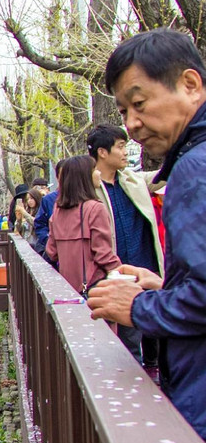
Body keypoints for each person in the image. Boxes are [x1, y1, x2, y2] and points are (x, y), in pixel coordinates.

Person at [87, 29, 206, 439]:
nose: (132, 124)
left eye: (139, 104)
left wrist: (140, 307)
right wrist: (166, 286)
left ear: (190, 84)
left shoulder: (195, 167)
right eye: (123, 112)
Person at [87, 124, 165, 364]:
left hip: (147, 270)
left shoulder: (133, 179)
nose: (125, 153)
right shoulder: (89, 188)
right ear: (102, 152)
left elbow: (163, 176)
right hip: (119, 276)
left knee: (159, 339)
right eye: (120, 147)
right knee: (129, 344)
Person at [46, 155, 121, 303]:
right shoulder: (95, 208)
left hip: (69, 290)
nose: (99, 173)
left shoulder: (58, 211)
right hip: (95, 289)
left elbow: (52, 252)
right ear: (84, 176)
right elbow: (103, 254)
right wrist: (122, 273)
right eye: (95, 170)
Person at [33, 159, 66, 253]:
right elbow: (39, 223)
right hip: (54, 252)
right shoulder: (48, 200)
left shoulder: (83, 198)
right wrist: (48, 241)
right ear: (57, 177)